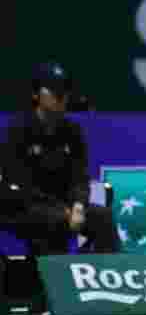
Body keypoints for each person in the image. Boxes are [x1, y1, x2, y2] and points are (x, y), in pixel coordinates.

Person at [0, 62, 120, 256]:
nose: (61, 96)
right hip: (25, 207)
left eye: (64, 90)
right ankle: (48, 273)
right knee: (52, 220)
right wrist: (61, 210)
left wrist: (78, 205)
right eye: (53, 90)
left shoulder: (73, 132)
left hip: (66, 207)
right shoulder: (18, 130)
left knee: (102, 217)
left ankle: (108, 272)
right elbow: (17, 182)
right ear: (36, 94)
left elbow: (79, 177)